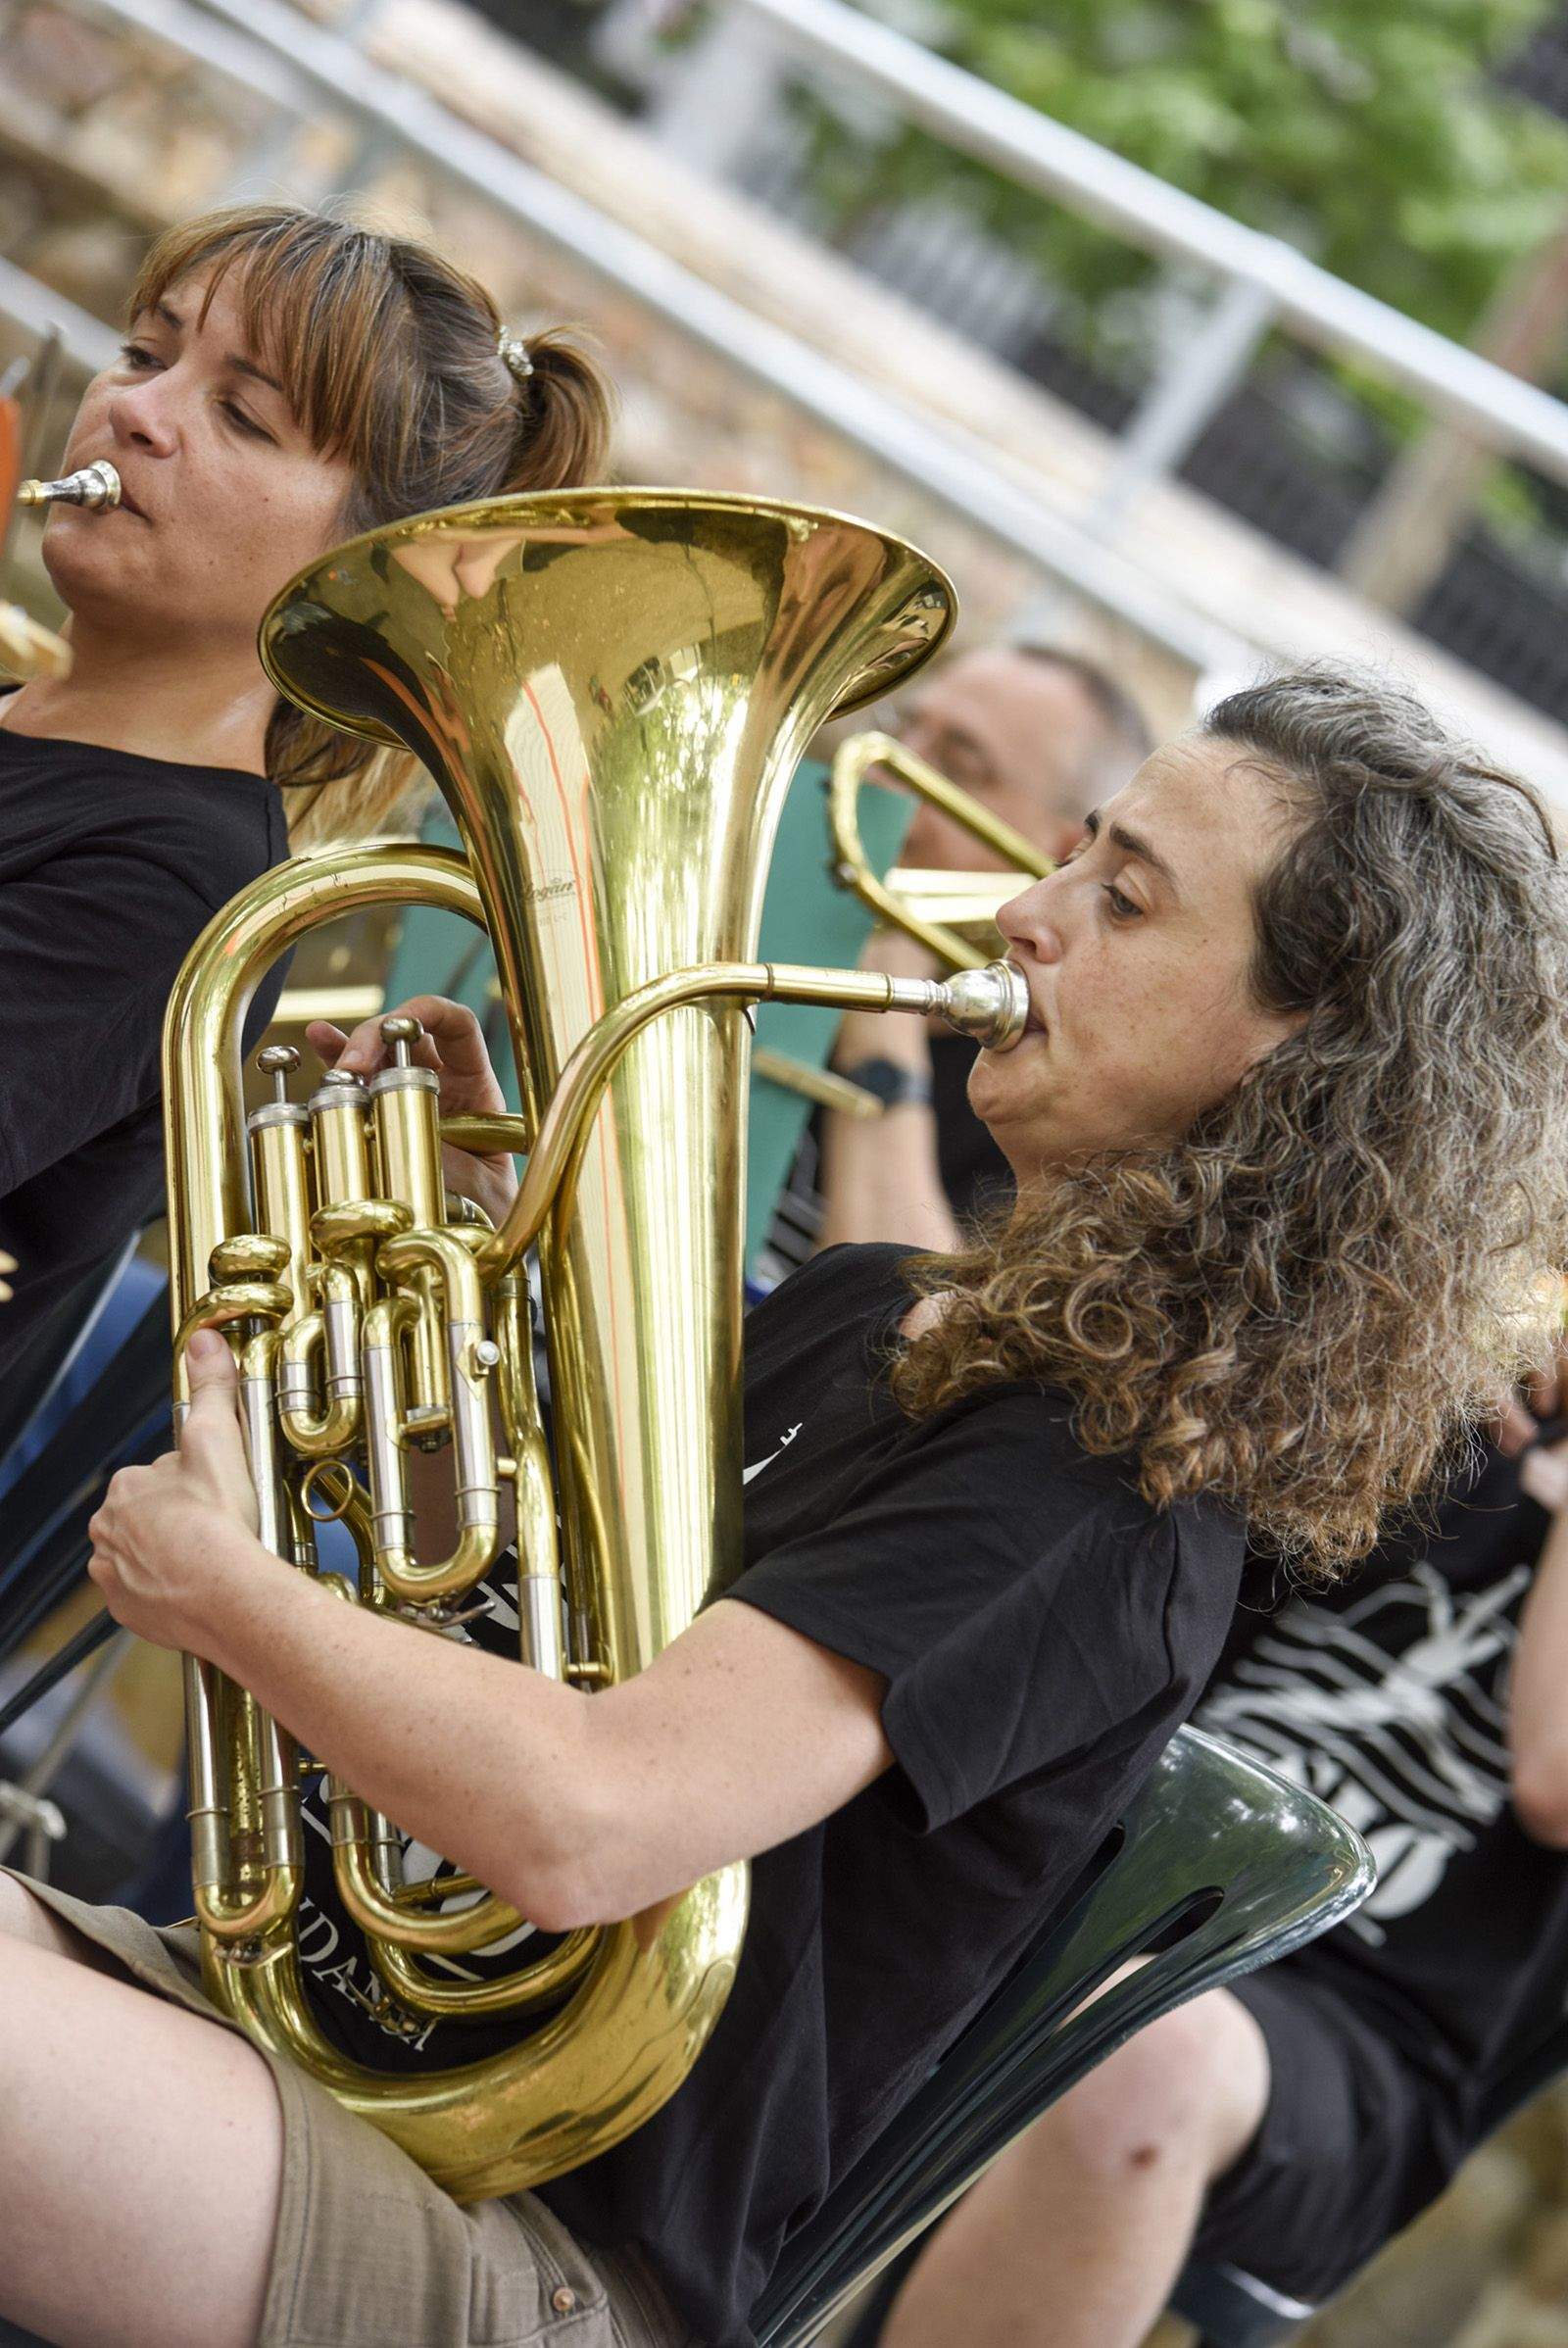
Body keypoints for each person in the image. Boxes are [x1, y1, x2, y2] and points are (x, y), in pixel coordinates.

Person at [4, 667, 1568, 2348]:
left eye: (1123, 901)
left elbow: (586, 1818)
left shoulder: (1097, 1489)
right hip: (344, 2065)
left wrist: (230, 1590)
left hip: (537, 2247)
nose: (1025, 912)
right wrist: (456, 1286)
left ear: (1297, 1058)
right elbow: (508, 1622)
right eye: (1074, 854)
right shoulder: (877, 1305)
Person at [0, 199, 612, 1400]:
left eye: (242, 415)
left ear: (360, 573)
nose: (138, 410)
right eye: (144, 352)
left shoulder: (175, 878)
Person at [855, 1394, 1568, 2348]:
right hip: (1099, 1855)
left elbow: (1554, 1778)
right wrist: (1423, 1360)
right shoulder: (1475, 1415)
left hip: (1354, 2026)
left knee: (1153, 2055)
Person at [808, 644, 1152, 1262]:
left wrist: (884, 1025)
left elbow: (908, 1316)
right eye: (901, 730)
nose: (879, 781)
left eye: (958, 767)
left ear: (1064, 856)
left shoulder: (1041, 1113)